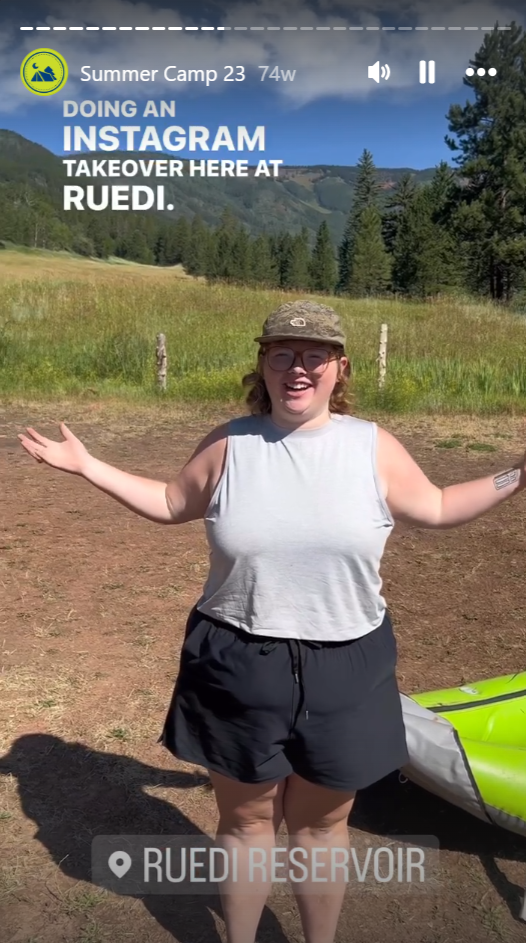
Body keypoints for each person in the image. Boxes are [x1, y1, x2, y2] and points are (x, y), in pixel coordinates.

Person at [18, 299, 526, 943]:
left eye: (315, 355)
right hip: (237, 660)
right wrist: (88, 465)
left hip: (347, 665)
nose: (298, 368)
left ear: (341, 367)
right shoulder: (230, 443)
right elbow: (173, 501)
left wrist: (518, 473)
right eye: (282, 354)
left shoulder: (372, 446)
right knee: (247, 822)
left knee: (321, 825)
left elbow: (440, 505)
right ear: (263, 364)